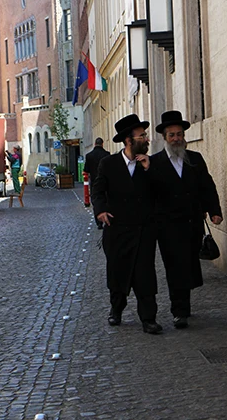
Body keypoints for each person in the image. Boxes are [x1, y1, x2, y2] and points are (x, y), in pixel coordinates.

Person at [150, 110, 223, 329]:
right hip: (168, 226)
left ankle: (184, 305)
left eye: (179, 134)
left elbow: (207, 187)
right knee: (175, 266)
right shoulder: (155, 163)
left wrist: (214, 211)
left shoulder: (195, 159)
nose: (176, 138)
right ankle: (178, 311)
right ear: (165, 137)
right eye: (172, 135)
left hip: (192, 224)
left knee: (189, 264)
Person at [92, 114, 162, 334]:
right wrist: (101, 210)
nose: (146, 139)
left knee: (145, 275)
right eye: (142, 136)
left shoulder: (149, 164)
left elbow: (161, 192)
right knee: (117, 273)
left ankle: (148, 318)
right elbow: (98, 190)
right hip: (118, 229)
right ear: (129, 141)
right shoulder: (108, 163)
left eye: (145, 135)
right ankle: (116, 309)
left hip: (143, 230)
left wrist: (149, 169)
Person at [84, 137, 110, 229]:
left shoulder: (89, 156)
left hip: (94, 181)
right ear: (102, 144)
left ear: (95, 144)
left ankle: (98, 221)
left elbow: (86, 170)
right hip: (106, 181)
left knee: (96, 200)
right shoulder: (107, 154)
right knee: (106, 199)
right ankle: (107, 217)